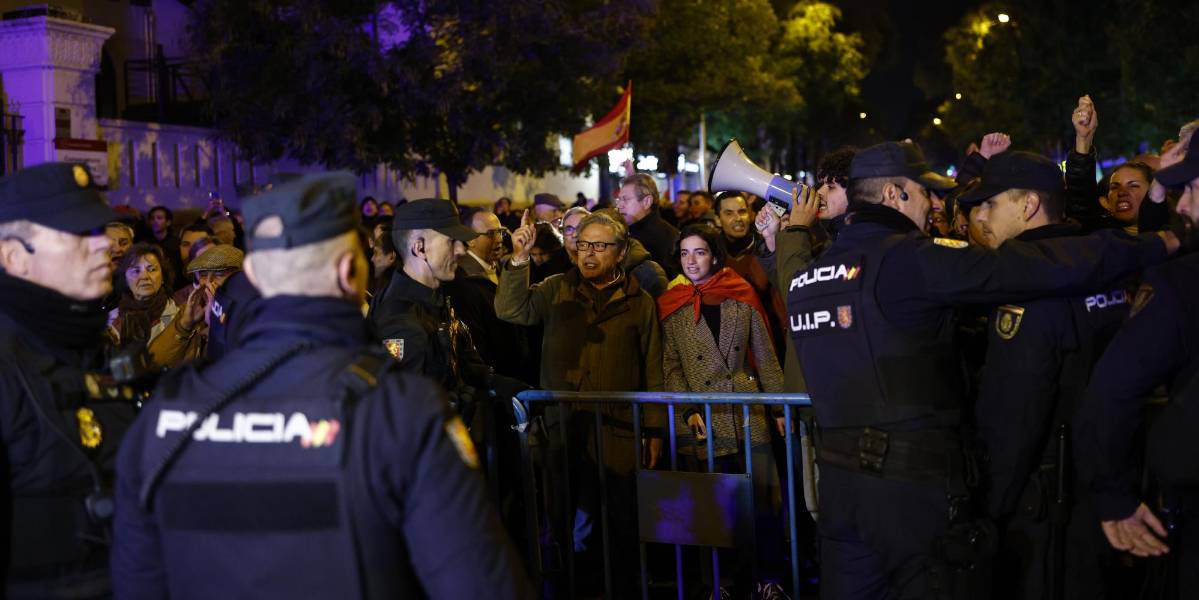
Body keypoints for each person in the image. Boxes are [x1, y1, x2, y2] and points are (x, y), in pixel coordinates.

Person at [111, 171, 531, 599]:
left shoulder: (167, 415)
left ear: (253, 272)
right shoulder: (400, 411)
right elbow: (481, 582)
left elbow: (136, 580)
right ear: (352, 272)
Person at [787, 140, 1175, 599]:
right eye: (924, 192)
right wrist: (1157, 242)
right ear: (893, 195)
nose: (934, 204)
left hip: (840, 496)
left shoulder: (808, 276)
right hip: (916, 497)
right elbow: (1025, 267)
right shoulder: (908, 261)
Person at [958, 151, 1133, 599]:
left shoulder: (1031, 282)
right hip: (1110, 488)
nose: (980, 216)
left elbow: (1014, 412)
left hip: (1044, 503)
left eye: (990, 203)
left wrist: (988, 511)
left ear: (1028, 205)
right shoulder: (1095, 262)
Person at [496, 210, 664, 596]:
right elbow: (510, 310)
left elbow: (653, 368)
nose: (588, 254)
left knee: (620, 521)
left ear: (620, 252)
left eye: (600, 246)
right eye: (583, 244)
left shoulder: (639, 302)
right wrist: (519, 259)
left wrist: (653, 429)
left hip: (620, 430)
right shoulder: (556, 289)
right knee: (564, 518)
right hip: (564, 427)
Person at [1074, 131, 1199, 598]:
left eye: (1191, 189)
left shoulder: (1180, 282)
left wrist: (1113, 496)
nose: (1183, 206)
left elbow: (1112, 391)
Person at [0, 162, 133, 599]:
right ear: (14, 257)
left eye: (101, 231)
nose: (105, 246)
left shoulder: (91, 347)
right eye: (80, 235)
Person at [658, 223, 789, 598]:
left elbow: (765, 357)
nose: (691, 261)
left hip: (747, 414)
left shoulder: (740, 293)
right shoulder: (673, 302)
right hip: (702, 420)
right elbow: (671, 366)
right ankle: (722, 584)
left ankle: (770, 580)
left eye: (699, 252)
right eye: (684, 253)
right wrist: (687, 411)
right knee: (714, 510)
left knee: (763, 503)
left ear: (714, 255)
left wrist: (778, 406)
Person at [368, 198, 492, 413]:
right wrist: (465, 399)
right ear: (420, 248)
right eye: (451, 241)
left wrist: (493, 382)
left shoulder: (435, 299)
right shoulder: (401, 321)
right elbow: (407, 413)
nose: (462, 250)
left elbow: (459, 363)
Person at [146, 245, 243, 370]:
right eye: (203, 275)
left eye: (219, 273)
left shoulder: (248, 312)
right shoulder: (192, 310)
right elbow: (155, 362)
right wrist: (184, 325)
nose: (208, 282)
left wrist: (216, 323)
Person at [108, 243, 178, 352]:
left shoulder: (179, 317)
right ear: (125, 279)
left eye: (152, 269)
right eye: (136, 271)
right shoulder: (111, 321)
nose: (144, 276)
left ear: (163, 277)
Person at [616, 173, 680, 278]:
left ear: (647, 201)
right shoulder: (626, 232)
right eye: (618, 200)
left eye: (625, 199)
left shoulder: (667, 238)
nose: (619, 206)